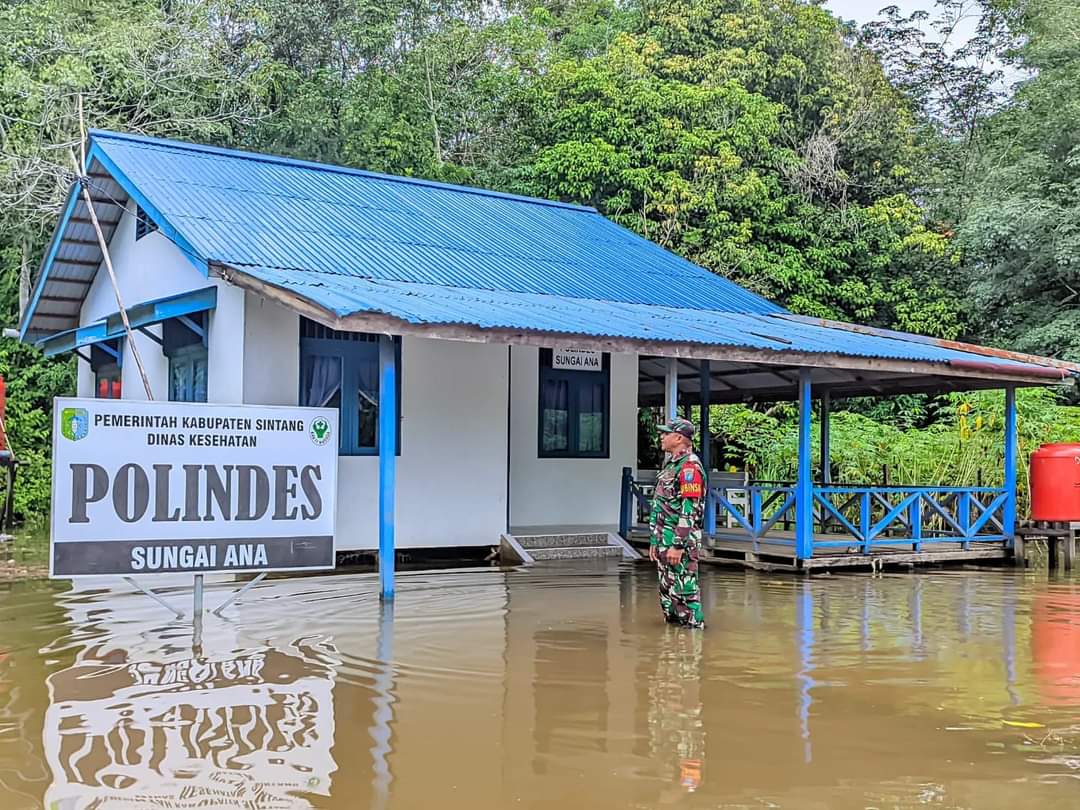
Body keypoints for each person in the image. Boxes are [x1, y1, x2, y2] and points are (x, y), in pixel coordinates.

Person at [648, 417, 707, 629]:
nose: (661, 437)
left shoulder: (689, 467)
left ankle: (692, 650)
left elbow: (689, 510)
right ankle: (672, 649)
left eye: (666, 433)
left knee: (685, 595)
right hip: (664, 541)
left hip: (678, 544)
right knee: (668, 596)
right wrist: (655, 540)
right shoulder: (672, 464)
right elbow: (662, 505)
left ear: (679, 438)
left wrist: (677, 545)